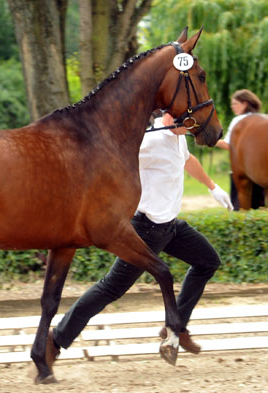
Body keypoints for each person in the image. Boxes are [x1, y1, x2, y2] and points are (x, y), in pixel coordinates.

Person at [44, 111, 233, 371]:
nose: (190, 129)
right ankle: (55, 342)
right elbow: (109, 160)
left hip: (170, 227)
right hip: (145, 231)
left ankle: (177, 327)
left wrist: (213, 187)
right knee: (110, 289)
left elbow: (187, 160)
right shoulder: (149, 142)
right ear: (168, 116)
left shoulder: (177, 137)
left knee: (207, 261)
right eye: (186, 124)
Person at [215, 89, 265, 209]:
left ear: (245, 104)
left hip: (242, 171)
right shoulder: (262, 118)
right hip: (262, 172)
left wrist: (212, 141)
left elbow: (230, 146)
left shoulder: (238, 121)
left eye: (235, 104)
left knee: (239, 208)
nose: (232, 107)